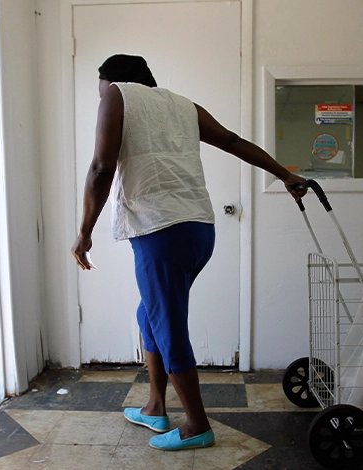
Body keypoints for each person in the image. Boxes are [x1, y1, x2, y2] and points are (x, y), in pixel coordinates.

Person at [71, 54, 307, 451]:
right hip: (199, 229)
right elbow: (231, 140)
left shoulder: (115, 95)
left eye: (100, 85)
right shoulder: (183, 105)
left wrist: (84, 232)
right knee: (149, 313)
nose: (100, 93)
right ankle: (155, 407)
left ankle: (197, 425)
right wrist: (285, 173)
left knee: (168, 326)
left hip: (160, 230)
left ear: (110, 80)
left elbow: (101, 167)